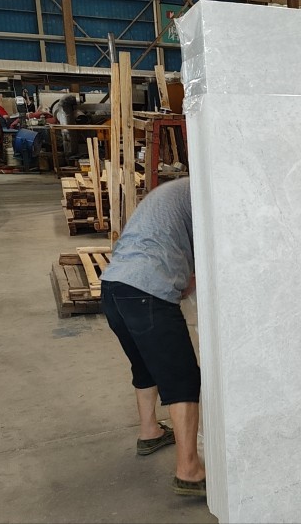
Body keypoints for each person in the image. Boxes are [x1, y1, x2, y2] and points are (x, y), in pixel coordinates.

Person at [99, 178, 205, 496]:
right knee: (182, 378)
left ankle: (150, 432)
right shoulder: (206, 192)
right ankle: (189, 471)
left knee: (145, 365)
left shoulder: (176, 191)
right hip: (147, 290)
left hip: (113, 287)